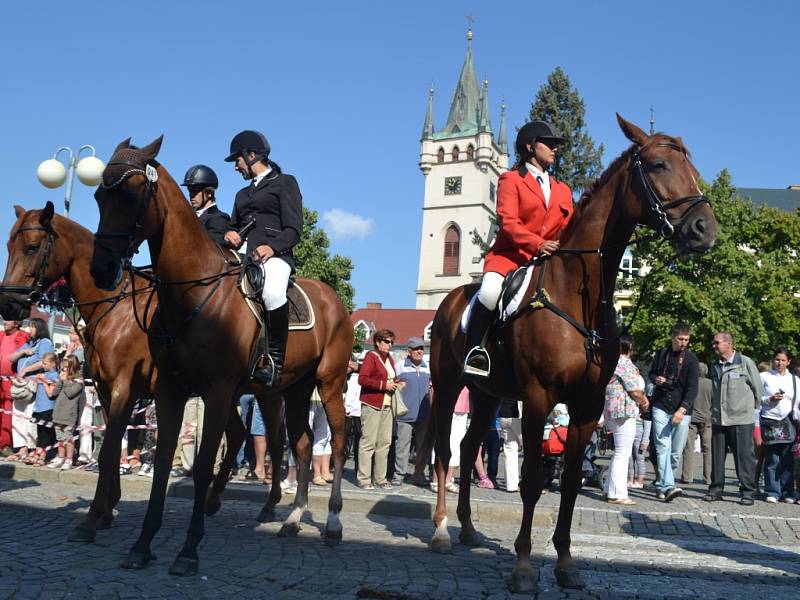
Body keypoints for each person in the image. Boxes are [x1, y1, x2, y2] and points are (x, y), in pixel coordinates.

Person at [463, 121, 573, 377]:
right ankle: (475, 351)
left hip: (547, 260)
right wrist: (538, 243)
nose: (555, 149)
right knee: (490, 293)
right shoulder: (510, 180)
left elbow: (568, 227)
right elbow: (509, 224)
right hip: (510, 256)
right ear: (530, 146)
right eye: (550, 143)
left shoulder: (562, 189)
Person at [223, 130, 303, 388]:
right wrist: (230, 233)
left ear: (251, 155)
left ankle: (274, 361)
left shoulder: (285, 183)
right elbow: (233, 225)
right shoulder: (241, 195)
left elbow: (294, 229)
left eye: (237, 160)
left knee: (271, 292)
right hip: (243, 256)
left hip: (275, 256)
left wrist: (272, 248)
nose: (236, 166)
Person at [704, 331, 764, 505]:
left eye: (717, 343)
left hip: (741, 419)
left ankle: (747, 492)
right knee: (717, 457)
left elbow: (758, 390)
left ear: (728, 343)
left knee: (744, 457)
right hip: (719, 418)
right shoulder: (715, 365)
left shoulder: (745, 363)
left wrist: (749, 411)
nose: (713, 346)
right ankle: (715, 489)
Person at [648, 322, 699, 502]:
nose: (683, 343)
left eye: (686, 339)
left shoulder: (692, 360)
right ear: (672, 337)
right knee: (663, 447)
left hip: (682, 409)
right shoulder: (662, 354)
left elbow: (693, 389)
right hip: (661, 406)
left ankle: (662, 484)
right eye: (680, 339)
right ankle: (668, 485)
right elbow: (651, 374)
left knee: (676, 452)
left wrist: (682, 409)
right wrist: (658, 380)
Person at [602, 335, 649, 505]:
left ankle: (609, 488)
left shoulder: (609, 361)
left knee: (619, 452)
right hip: (624, 410)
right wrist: (644, 402)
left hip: (611, 410)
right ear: (630, 348)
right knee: (623, 452)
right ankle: (617, 493)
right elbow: (634, 390)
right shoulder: (625, 363)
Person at [357, 329, 403, 490]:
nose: (389, 345)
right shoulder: (371, 356)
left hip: (388, 405)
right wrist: (385, 386)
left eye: (391, 342)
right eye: (386, 341)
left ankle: (380, 478)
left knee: (384, 443)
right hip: (372, 404)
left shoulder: (389, 358)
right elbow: (362, 379)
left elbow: (390, 378)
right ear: (378, 342)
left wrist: (398, 383)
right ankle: (364, 478)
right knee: (368, 442)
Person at [9, 318, 54, 464]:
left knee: (29, 417)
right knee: (18, 416)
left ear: (39, 328)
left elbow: (45, 361)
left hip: (33, 384)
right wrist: (23, 352)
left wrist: (27, 369)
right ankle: (20, 448)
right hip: (21, 385)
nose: (30, 329)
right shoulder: (29, 343)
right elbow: (11, 357)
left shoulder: (45, 343)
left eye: (32, 327)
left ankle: (30, 448)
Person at [759, 346, 799, 503]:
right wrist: (770, 399)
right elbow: (756, 397)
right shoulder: (764, 377)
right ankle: (772, 491)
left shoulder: (795, 380)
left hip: (788, 420)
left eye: (783, 360)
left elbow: (797, 402)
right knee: (772, 458)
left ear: (788, 362)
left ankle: (787, 491)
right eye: (777, 359)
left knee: (788, 458)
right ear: (773, 360)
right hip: (769, 419)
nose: (780, 363)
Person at [391, 337, 431, 485]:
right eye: (416, 349)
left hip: (424, 415)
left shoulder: (428, 367)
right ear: (409, 351)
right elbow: (392, 384)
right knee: (402, 447)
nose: (419, 351)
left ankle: (418, 475)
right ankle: (398, 475)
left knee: (423, 448)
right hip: (405, 414)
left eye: (421, 348)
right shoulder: (400, 366)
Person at [48, 355, 85, 470]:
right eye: (63, 367)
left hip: (69, 414)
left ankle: (69, 458)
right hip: (59, 412)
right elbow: (54, 393)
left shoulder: (78, 381)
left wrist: (64, 381)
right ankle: (61, 456)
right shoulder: (64, 379)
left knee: (68, 438)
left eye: (66, 367)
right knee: (59, 438)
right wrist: (60, 381)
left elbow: (70, 393)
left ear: (73, 367)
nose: (64, 370)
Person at [181, 164, 232, 246]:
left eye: (195, 191)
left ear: (209, 193)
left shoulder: (219, 218)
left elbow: (212, 246)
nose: (191, 195)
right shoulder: (187, 216)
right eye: (190, 191)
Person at [681, 362, 713, 485]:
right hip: (707, 419)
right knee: (708, 449)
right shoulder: (711, 384)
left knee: (688, 448)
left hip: (691, 418)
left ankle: (687, 477)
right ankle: (708, 478)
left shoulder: (691, 384)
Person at [0, 319, 29, 456]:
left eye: (8, 319)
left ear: (16, 323)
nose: (4, 321)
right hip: (1, 379)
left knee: (8, 412)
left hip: (11, 380)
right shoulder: (1, 335)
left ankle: (5, 444)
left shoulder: (23, 337)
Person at [31, 352, 60, 466]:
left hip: (48, 409)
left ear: (53, 364)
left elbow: (50, 394)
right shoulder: (44, 374)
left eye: (45, 363)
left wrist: (43, 381)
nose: (43, 366)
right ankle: (38, 453)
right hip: (39, 408)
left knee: (46, 434)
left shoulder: (54, 376)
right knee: (40, 432)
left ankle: (43, 456)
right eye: (43, 363)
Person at [499, 400, 522, 493]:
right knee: (531, 450)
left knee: (509, 451)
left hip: (503, 415)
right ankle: (532, 484)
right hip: (517, 416)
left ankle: (511, 486)